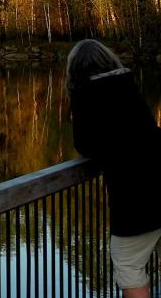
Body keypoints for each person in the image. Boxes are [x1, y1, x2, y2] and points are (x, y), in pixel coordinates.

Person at [68, 39, 161, 298]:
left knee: (129, 264)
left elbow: (87, 146)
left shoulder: (85, 97)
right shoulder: (127, 86)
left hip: (136, 199)